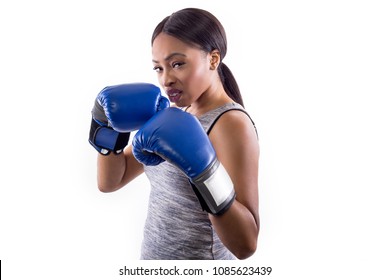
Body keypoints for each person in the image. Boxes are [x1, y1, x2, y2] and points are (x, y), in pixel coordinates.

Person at [89, 7, 260, 260]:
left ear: (213, 59)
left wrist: (204, 172)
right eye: (158, 68)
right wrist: (105, 126)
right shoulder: (172, 115)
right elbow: (111, 181)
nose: (166, 79)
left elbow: (246, 244)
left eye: (177, 64)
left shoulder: (230, 123)